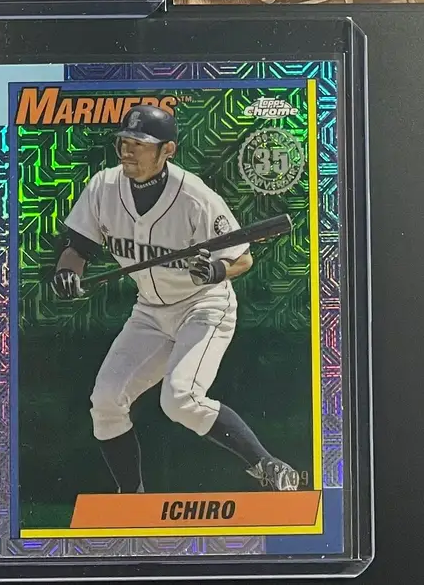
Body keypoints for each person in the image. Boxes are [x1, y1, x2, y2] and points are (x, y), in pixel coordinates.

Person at [53, 105, 301, 493]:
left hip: (203, 306)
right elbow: (78, 247)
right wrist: (68, 272)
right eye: (124, 141)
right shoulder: (103, 187)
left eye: (140, 143)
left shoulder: (194, 197)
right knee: (105, 401)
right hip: (150, 312)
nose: (127, 150)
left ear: (167, 150)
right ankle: (131, 499)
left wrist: (216, 270)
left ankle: (268, 466)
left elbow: (242, 258)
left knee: (180, 399)